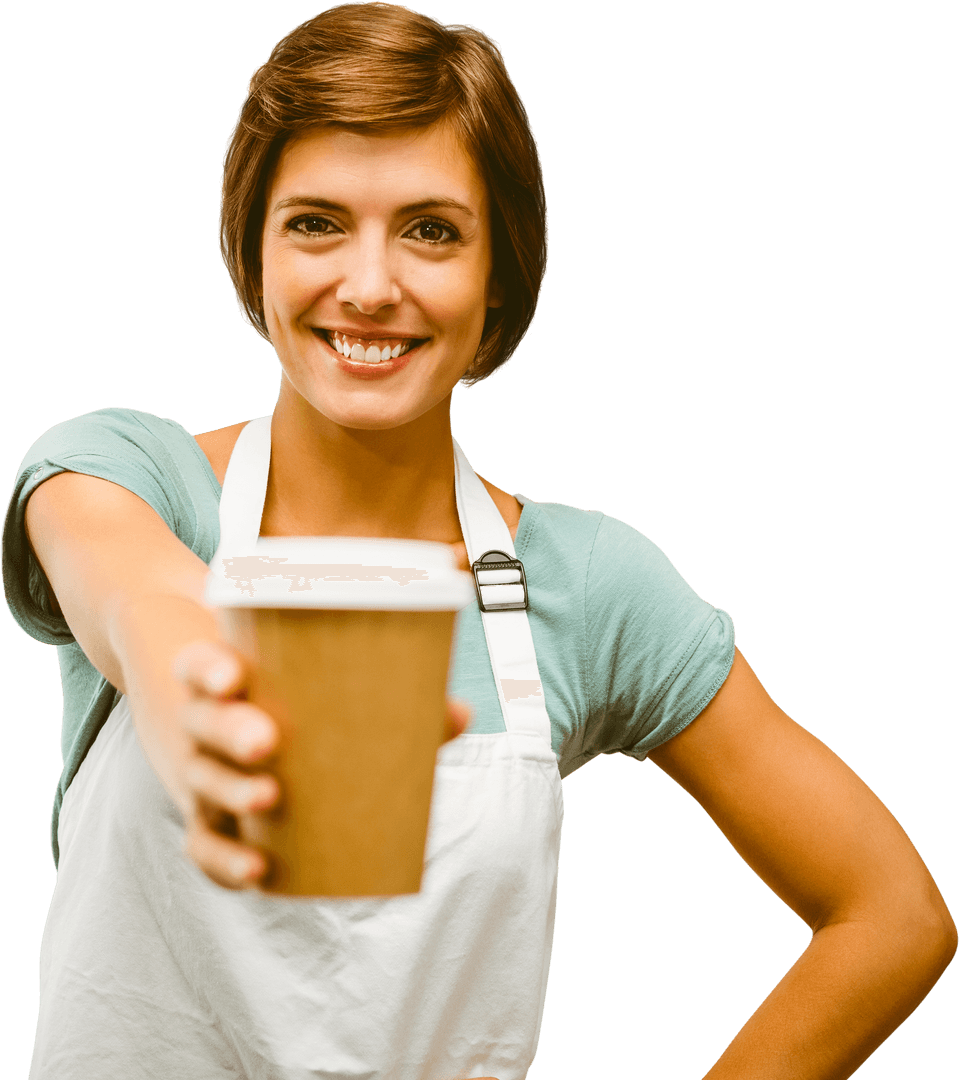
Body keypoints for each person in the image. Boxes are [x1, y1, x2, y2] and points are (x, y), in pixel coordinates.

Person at [3, 4, 955, 1078]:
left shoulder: (583, 586)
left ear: (498, 272)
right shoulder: (129, 472)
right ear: (252, 247)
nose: (367, 284)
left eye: (430, 229)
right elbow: (127, 588)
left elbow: (888, 915)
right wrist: (185, 676)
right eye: (315, 222)